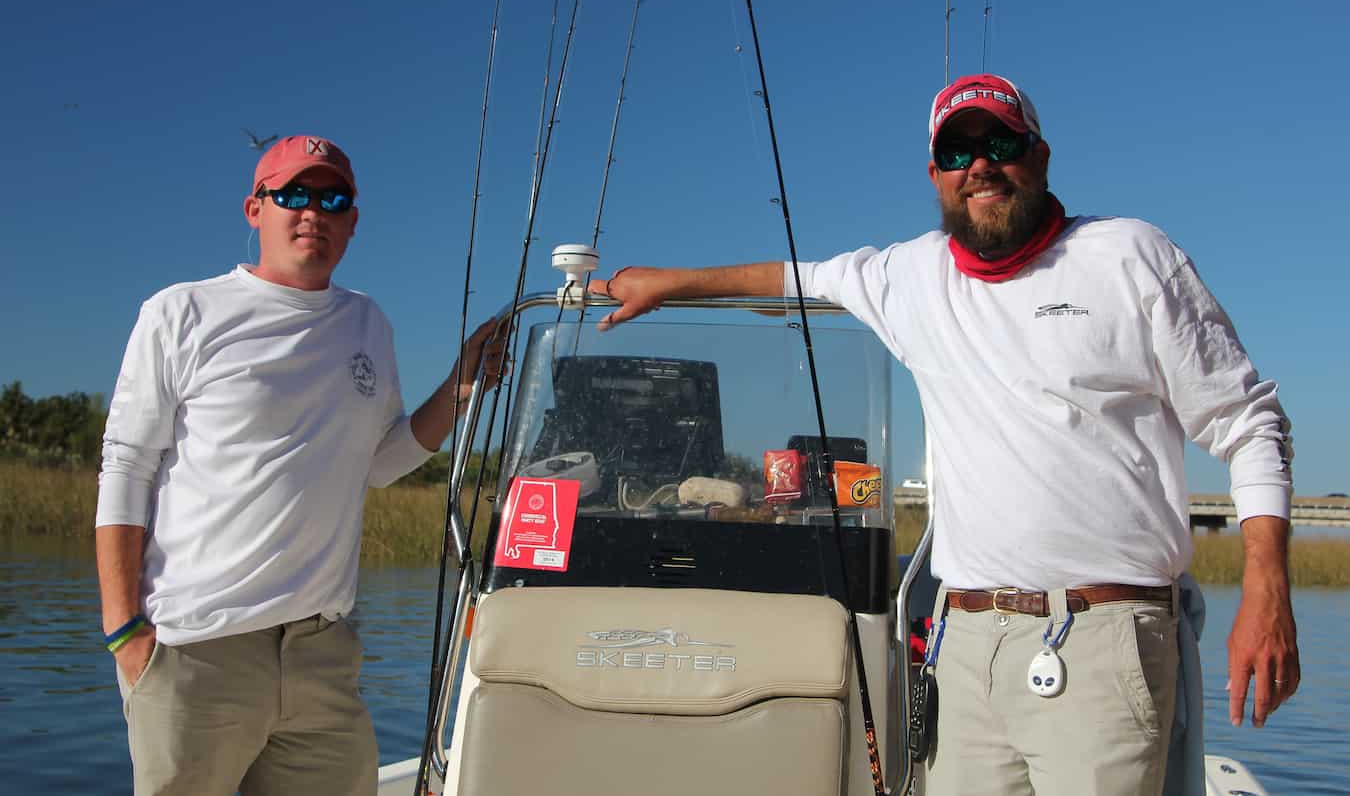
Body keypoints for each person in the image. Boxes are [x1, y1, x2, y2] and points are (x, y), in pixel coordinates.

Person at [587, 74, 1299, 796]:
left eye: (999, 143)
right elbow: (794, 280)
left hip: (1102, 642)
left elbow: (1249, 424)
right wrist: (671, 283)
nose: (980, 164)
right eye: (958, 152)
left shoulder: (1129, 256)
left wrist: (1267, 595)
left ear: (1040, 156)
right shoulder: (912, 276)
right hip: (964, 649)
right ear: (936, 176)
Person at [95, 135, 505, 795]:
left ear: (352, 220)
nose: (311, 211)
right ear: (255, 209)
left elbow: (382, 461)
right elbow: (125, 469)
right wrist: (124, 634)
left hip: (322, 656)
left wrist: (460, 385)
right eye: (292, 194)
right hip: (196, 650)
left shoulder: (368, 324)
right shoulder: (182, 312)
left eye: (331, 197)